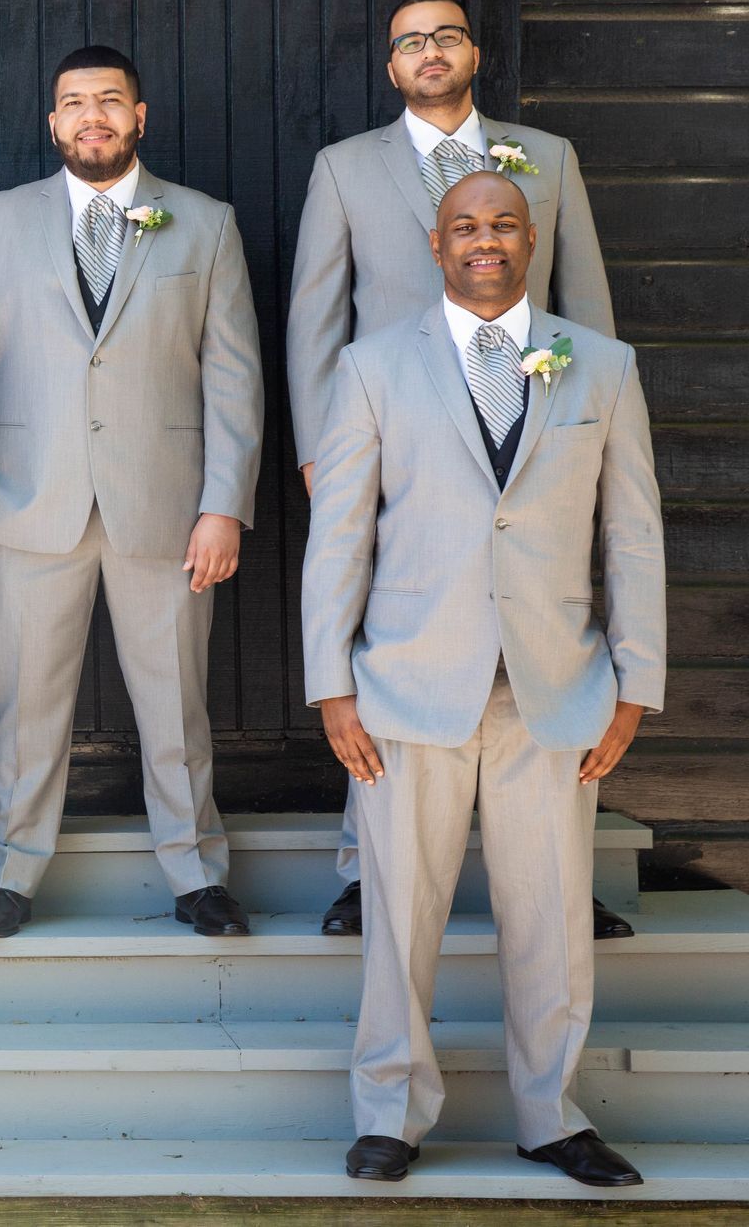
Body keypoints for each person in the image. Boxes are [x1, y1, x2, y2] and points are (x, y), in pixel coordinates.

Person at [303, 172, 662, 1188]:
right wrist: (332, 682)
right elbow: (338, 539)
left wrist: (637, 684)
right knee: (400, 916)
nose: (486, 239)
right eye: (466, 225)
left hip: (558, 691)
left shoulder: (602, 367)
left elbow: (633, 532)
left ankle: (550, 1113)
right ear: (435, 242)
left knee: (551, 917)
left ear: (533, 235)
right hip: (405, 688)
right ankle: (390, 1113)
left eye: (504, 222)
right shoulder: (372, 367)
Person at [285, 0, 623, 940]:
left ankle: (563, 867)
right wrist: (322, 452)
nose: (429, 52)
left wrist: (593, 436)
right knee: (386, 641)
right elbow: (317, 318)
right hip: (390, 442)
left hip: (531, 444)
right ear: (390, 66)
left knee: (543, 622)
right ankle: (367, 870)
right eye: (409, 42)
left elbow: (584, 303)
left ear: (474, 52)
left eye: (446, 36)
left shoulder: (545, 158)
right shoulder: (346, 169)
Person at [0, 46, 264, 939]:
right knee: (27, 707)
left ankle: (197, 876)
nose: (92, 116)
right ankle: (10, 874)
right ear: (52, 123)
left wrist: (224, 504)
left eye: (109, 101)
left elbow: (234, 379)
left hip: (168, 510)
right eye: (74, 103)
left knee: (175, 705)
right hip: (30, 506)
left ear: (139, 116)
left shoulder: (205, 224)